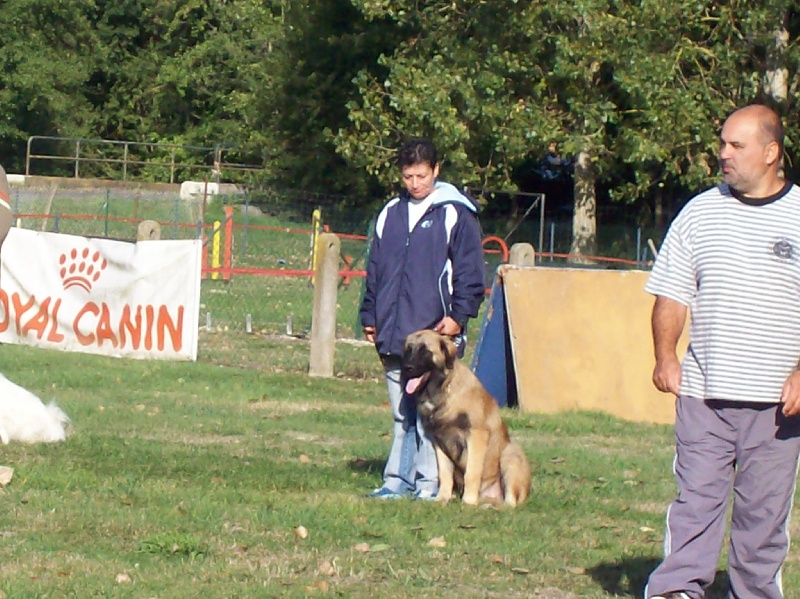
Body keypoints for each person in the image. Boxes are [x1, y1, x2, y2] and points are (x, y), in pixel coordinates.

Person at [643, 104, 800, 599]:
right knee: (696, 504)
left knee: (762, 520)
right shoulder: (700, 211)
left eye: (737, 145)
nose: (723, 154)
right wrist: (665, 355)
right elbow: (671, 292)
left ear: (771, 152)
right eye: (723, 143)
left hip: (777, 405)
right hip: (705, 396)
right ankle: (676, 591)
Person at [360, 137, 486, 500]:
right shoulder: (390, 214)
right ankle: (396, 483)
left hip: (435, 337)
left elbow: (470, 271)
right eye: (407, 176)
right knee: (402, 415)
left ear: (436, 171)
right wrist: (371, 315)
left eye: (421, 175)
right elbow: (376, 270)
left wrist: (459, 316)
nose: (415, 183)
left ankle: (431, 486)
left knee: (433, 417)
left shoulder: (455, 214)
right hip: (393, 333)